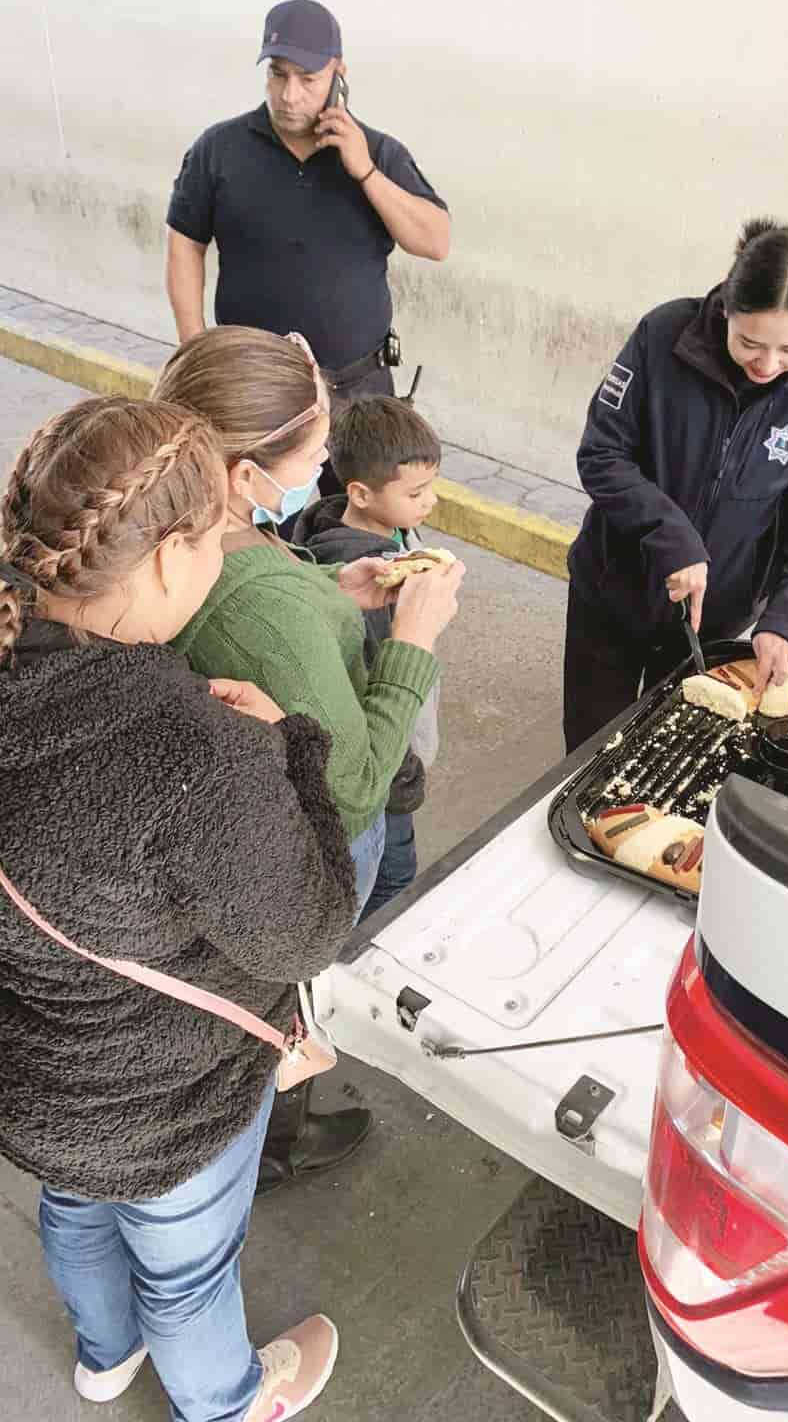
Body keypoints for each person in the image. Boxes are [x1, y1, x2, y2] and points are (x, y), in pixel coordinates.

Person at [0, 396, 357, 1420]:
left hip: (38, 1082)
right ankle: (225, 1401)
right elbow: (305, 928)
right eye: (220, 539)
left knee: (72, 1215)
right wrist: (288, 749)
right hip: (169, 1106)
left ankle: (104, 1356)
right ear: (165, 558)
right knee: (188, 1270)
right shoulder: (196, 751)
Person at [154, 328, 464, 1196]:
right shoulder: (257, 605)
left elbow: (270, 630)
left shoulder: (187, 535)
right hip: (307, 839)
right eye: (318, 451)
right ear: (247, 475)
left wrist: (330, 594)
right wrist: (413, 639)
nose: (324, 468)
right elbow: (356, 786)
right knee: (286, 978)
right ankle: (273, 1126)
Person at [563, 218, 788, 753]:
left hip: (718, 616)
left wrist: (786, 621)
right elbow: (601, 454)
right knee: (589, 748)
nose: (767, 364)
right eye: (750, 342)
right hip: (613, 589)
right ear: (727, 305)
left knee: (673, 752)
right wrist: (672, 536)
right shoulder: (662, 337)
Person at [165, 0, 449, 425]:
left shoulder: (378, 152)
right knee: (251, 493)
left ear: (339, 75)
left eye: (308, 79)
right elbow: (185, 242)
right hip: (253, 388)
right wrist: (194, 349)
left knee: (358, 495)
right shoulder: (219, 149)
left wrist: (365, 171)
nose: (289, 95)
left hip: (358, 392)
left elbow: (435, 242)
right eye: (278, 75)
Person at [293, 396, 444, 921]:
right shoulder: (366, 573)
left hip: (385, 759)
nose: (431, 502)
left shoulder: (374, 530)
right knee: (393, 874)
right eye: (416, 493)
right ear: (359, 492)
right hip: (383, 768)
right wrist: (404, 781)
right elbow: (380, 685)